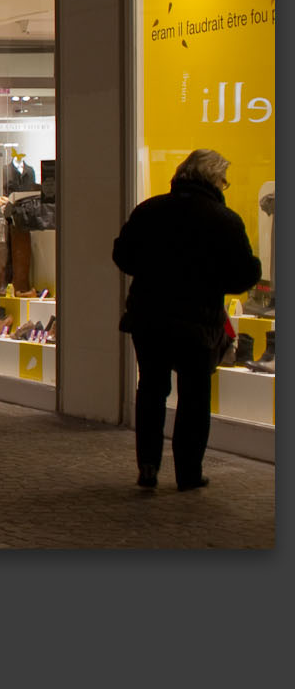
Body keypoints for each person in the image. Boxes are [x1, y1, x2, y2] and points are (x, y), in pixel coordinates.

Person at [113, 149, 262, 491]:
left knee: (151, 388)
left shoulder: (149, 210)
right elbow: (241, 276)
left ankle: (148, 466)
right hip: (196, 320)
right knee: (194, 396)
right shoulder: (223, 219)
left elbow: (123, 255)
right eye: (223, 179)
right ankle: (188, 473)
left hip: (148, 316)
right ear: (213, 179)